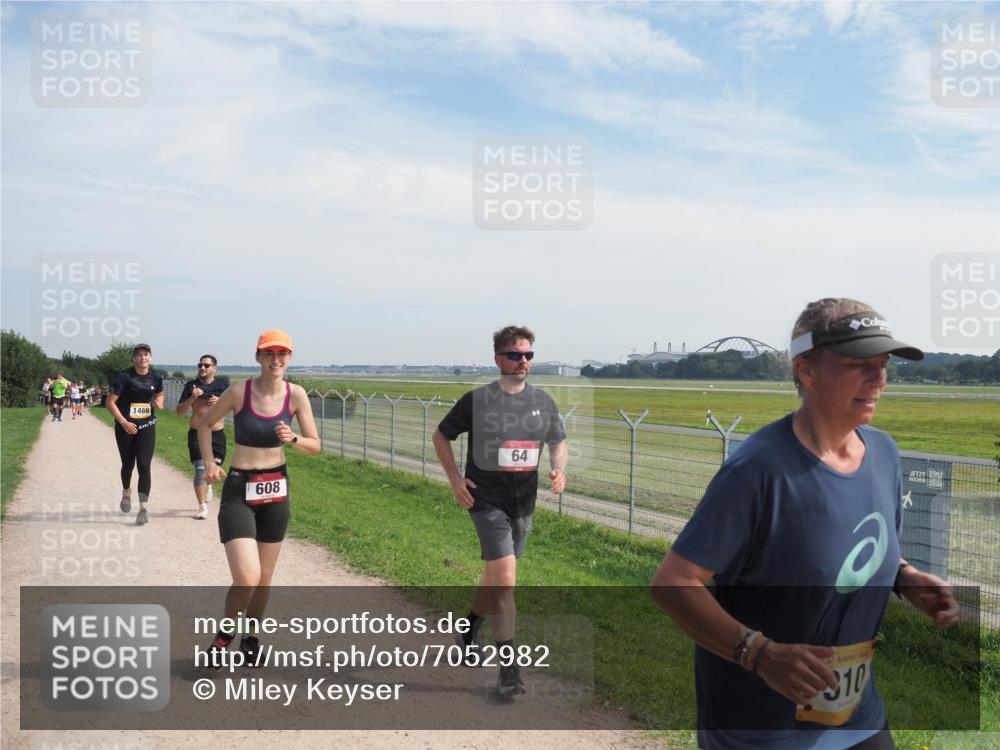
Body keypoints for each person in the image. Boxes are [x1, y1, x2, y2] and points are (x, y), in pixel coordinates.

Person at [651, 298, 960, 750]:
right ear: (806, 370)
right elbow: (672, 584)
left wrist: (904, 577)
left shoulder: (885, 455)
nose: (879, 381)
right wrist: (759, 655)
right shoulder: (758, 472)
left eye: (883, 365)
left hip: (857, 719)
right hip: (761, 731)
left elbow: (868, 544)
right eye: (859, 365)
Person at [431, 324, 568, 698]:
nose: (522, 361)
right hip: (485, 500)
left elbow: (558, 441)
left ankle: (470, 626)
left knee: (495, 575)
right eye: (514, 355)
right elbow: (441, 435)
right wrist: (455, 479)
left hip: (523, 503)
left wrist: (559, 468)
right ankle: (509, 670)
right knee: (506, 577)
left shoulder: (543, 402)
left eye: (528, 355)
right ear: (498, 359)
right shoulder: (477, 401)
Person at [195, 329, 319, 667]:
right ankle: (224, 636)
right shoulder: (239, 392)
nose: (275, 360)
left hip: (277, 488)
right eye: (269, 353)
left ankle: (251, 637)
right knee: (247, 576)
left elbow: (315, 445)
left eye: (282, 354)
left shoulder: (297, 396)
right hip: (240, 489)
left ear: (289, 358)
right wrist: (208, 461)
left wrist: (293, 439)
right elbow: (205, 424)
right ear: (258, 357)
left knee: (264, 578)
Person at [106, 344, 164, 526]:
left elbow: (159, 393)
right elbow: (110, 402)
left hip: (147, 425)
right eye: (138, 355)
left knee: (144, 465)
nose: (142, 358)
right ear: (133, 358)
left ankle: (143, 508)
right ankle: (126, 492)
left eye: (146, 355)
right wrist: (123, 422)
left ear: (151, 357)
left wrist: (159, 402)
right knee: (128, 464)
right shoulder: (125, 376)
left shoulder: (156, 376)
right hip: (125, 427)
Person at [176, 355, 230, 519]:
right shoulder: (191, 385)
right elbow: (179, 411)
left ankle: (208, 485)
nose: (202, 368)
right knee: (200, 470)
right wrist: (192, 397)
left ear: (215, 368)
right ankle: (202, 506)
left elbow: (234, 407)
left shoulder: (223, 385)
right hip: (197, 434)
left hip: (217, 435)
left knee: (212, 471)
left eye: (206, 365)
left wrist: (220, 401)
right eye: (200, 365)